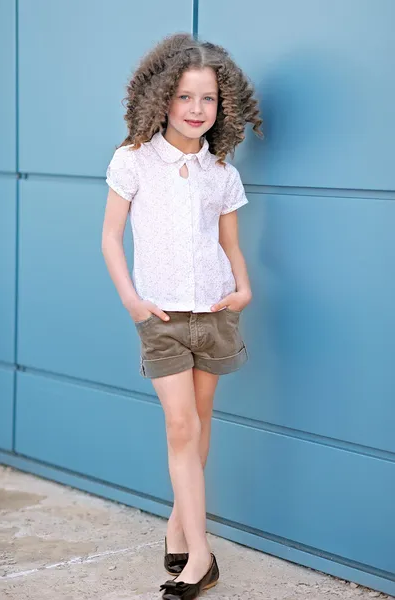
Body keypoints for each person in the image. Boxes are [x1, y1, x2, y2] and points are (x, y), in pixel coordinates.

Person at [101, 32, 262, 600]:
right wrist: (132, 299)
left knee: (200, 424)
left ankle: (177, 525)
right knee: (179, 427)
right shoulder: (134, 160)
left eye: (209, 99)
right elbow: (110, 239)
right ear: (162, 97)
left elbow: (231, 245)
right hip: (161, 316)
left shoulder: (222, 171)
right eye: (186, 97)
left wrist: (244, 288)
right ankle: (201, 556)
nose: (197, 110)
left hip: (215, 312)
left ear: (224, 105)